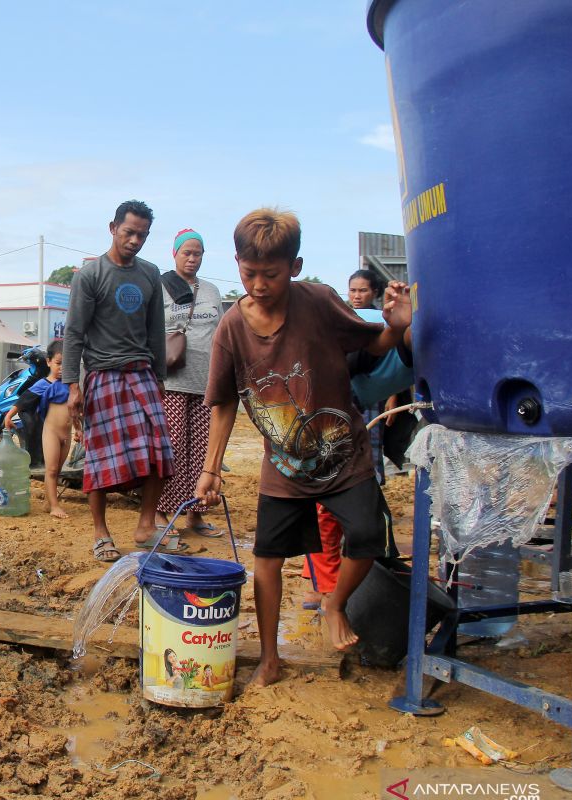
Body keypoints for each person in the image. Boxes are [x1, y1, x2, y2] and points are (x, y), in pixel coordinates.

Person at [195, 209, 410, 686]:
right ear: (236, 263)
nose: (259, 284)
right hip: (284, 465)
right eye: (249, 273)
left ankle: (334, 601)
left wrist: (394, 327)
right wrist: (210, 469)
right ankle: (270, 659)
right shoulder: (232, 326)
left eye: (270, 274)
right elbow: (225, 400)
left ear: (294, 266)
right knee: (267, 560)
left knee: (367, 533)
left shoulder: (318, 301)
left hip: (342, 454)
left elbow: (373, 344)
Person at [63, 200, 174, 563]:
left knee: (159, 452)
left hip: (142, 374)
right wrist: (73, 386)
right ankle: (100, 532)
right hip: (103, 376)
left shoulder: (149, 274)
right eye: (129, 232)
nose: (135, 240)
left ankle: (145, 527)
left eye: (142, 235)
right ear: (112, 228)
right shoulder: (91, 276)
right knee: (100, 459)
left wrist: (159, 377)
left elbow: (156, 332)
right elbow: (74, 334)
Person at [302, 269, 415, 610]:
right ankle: (324, 585)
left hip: (355, 403)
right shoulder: (368, 334)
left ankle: (369, 575)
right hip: (319, 399)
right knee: (322, 500)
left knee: (363, 501)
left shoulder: (424, 354)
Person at [155, 229, 224, 535]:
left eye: (197, 253)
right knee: (172, 449)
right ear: (175, 253)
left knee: (202, 450)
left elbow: (221, 334)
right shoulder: (160, 288)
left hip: (205, 382)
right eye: (187, 253)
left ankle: (195, 516)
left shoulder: (211, 291)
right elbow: (148, 331)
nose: (192, 258)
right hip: (170, 381)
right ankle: (161, 514)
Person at [4, 340, 78, 518]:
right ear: (49, 362)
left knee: (57, 470)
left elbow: (76, 410)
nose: (61, 368)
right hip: (51, 433)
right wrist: (8, 415)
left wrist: (79, 429)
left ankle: (48, 502)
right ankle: (54, 506)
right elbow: (24, 400)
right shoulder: (44, 384)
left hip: (67, 435)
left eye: (66, 365)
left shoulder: (71, 386)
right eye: (58, 363)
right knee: (51, 470)